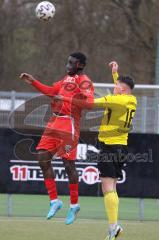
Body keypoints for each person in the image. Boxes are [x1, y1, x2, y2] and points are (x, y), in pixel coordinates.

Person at [20, 52, 94, 225]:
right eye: (67, 62)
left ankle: (74, 204)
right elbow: (52, 92)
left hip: (69, 124)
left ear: (80, 65)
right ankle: (55, 201)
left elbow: (89, 104)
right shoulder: (66, 80)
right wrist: (33, 82)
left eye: (71, 63)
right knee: (42, 159)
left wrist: (67, 98)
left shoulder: (84, 81)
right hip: (54, 122)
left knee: (69, 165)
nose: (67, 65)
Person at [94, 61, 137, 240]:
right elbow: (120, 90)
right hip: (121, 147)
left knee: (107, 188)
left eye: (116, 86)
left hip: (108, 147)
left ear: (122, 90)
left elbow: (90, 103)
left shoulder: (114, 99)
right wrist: (115, 74)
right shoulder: (132, 99)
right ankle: (114, 226)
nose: (114, 87)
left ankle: (113, 228)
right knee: (112, 188)